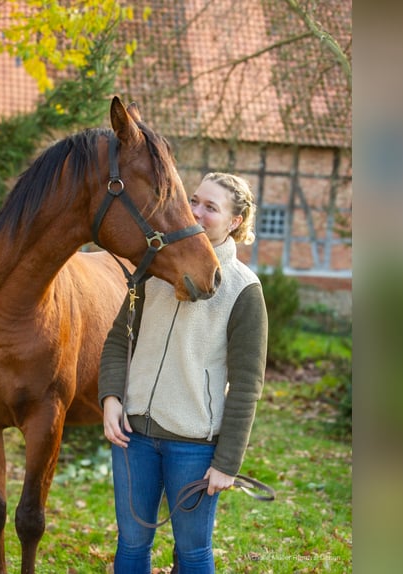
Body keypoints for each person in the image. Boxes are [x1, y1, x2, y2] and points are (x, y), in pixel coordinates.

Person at [98, 172, 269, 573]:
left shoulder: (244, 289)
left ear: (234, 222)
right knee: (131, 543)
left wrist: (227, 462)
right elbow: (118, 341)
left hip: (194, 446)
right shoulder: (153, 270)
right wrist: (110, 398)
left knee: (192, 552)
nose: (196, 212)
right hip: (133, 438)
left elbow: (247, 386)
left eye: (211, 207)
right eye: (194, 201)